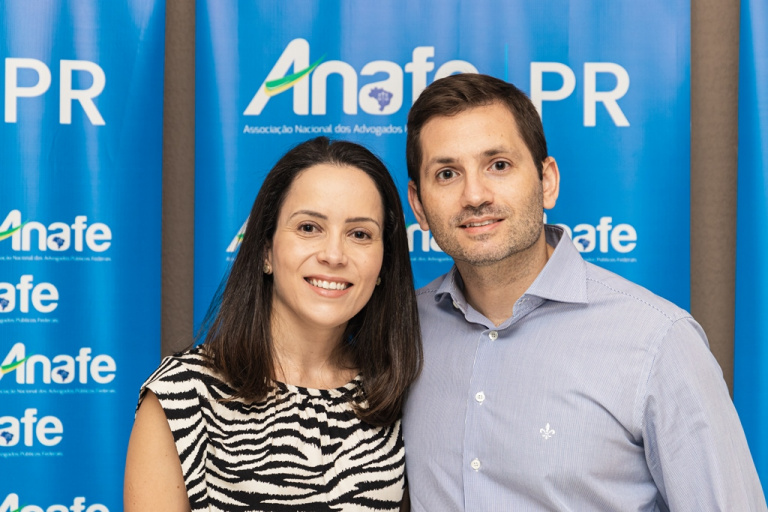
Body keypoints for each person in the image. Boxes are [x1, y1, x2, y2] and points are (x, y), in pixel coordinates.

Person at [401, 73, 767, 511]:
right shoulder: (400, 334)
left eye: (498, 165)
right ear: (419, 205)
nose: (475, 195)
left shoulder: (659, 341)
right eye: (447, 174)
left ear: (547, 181)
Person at [124, 136, 422, 511]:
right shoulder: (184, 394)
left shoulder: (397, 395)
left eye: (359, 234)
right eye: (309, 228)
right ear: (266, 250)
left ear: (383, 264)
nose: (334, 255)